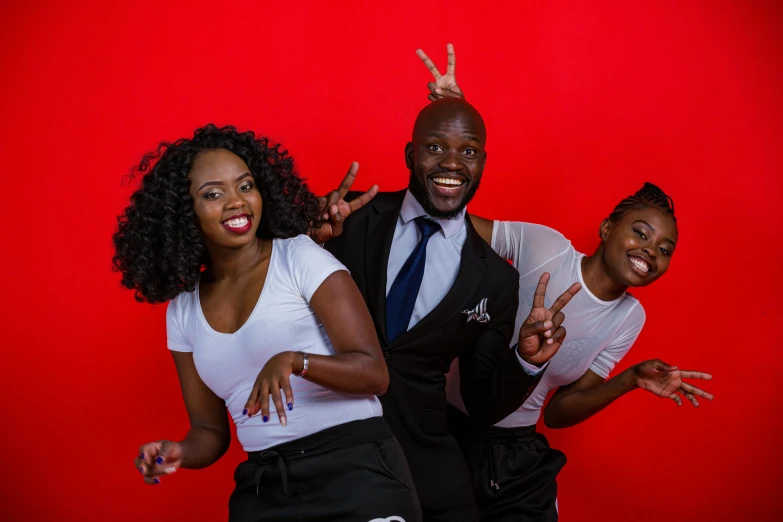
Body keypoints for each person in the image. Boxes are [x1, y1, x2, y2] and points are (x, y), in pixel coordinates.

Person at [418, 45, 713, 521]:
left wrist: (632, 380)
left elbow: (558, 413)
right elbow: (454, 220)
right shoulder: (548, 247)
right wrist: (453, 129)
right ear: (606, 228)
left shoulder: (629, 317)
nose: (649, 252)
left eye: (664, 249)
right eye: (640, 233)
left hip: (513, 455)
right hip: (442, 429)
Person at [112, 124, 421, 522]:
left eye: (245, 186)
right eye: (212, 194)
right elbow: (209, 429)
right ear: (183, 213)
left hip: (356, 471)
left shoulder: (300, 258)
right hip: (265, 488)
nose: (236, 203)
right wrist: (180, 452)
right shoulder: (183, 310)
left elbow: (374, 374)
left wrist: (296, 360)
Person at [323, 96, 581, 521]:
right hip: (329, 442)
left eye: (468, 151)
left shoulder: (497, 279)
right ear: (411, 154)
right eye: (435, 147)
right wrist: (308, 235)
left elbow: (481, 404)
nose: (452, 163)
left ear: (482, 162)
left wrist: (526, 362)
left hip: (424, 462)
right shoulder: (349, 217)